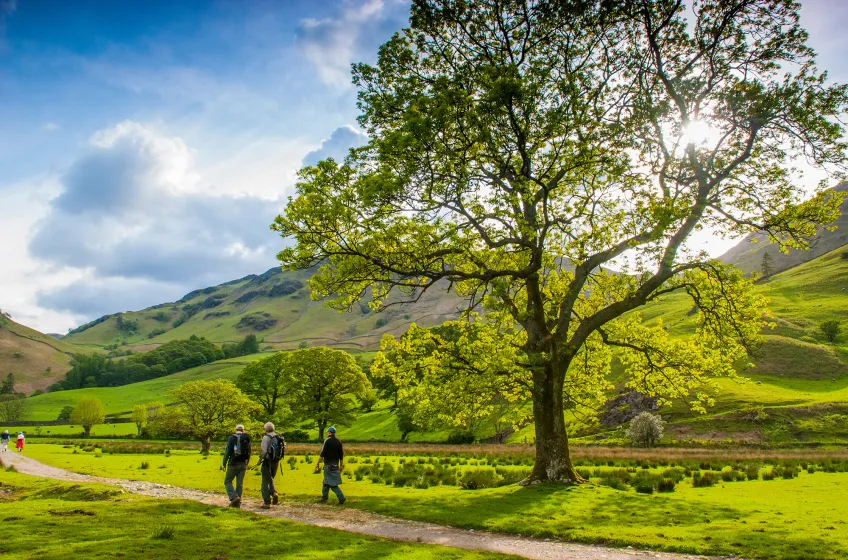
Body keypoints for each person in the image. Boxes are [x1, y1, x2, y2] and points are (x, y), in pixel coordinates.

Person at [221, 424, 251, 508]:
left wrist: (224, 463)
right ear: (243, 430)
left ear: (235, 430)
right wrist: (247, 462)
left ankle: (234, 497)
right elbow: (249, 451)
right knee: (239, 484)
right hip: (243, 463)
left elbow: (228, 451)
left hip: (233, 463)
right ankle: (238, 503)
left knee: (227, 481)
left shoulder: (232, 438)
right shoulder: (246, 438)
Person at [314, 426, 345, 505]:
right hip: (335, 465)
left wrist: (317, 463)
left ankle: (341, 497)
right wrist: (341, 466)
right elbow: (341, 455)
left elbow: (323, 453)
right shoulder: (339, 442)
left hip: (328, 465)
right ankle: (324, 498)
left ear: (329, 433)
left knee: (332, 483)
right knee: (326, 482)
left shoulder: (327, 441)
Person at [258, 422, 285, 509]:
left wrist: (260, 460)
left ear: (265, 429)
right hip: (276, 462)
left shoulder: (266, 438)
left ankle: (267, 502)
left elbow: (263, 451)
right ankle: (274, 493)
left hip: (267, 461)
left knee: (265, 482)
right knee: (270, 478)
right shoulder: (278, 437)